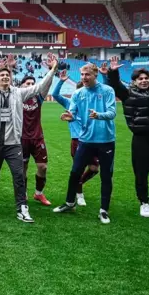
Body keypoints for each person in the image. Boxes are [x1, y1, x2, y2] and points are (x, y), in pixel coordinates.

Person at [0, 47, 58, 223]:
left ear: (11, 78)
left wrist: (52, 70)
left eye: (8, 75)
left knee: (18, 175)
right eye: (2, 76)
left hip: (13, 143)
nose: (5, 77)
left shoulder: (19, 93)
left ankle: (22, 208)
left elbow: (39, 87)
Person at [54, 63, 116, 224]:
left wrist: (99, 115)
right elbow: (72, 112)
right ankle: (69, 202)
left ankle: (104, 210)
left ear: (95, 75)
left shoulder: (108, 91)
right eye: (82, 74)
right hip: (85, 140)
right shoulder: (78, 93)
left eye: (87, 74)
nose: (84, 77)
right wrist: (69, 116)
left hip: (106, 141)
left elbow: (112, 113)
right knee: (75, 172)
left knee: (106, 176)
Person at [105, 57, 149, 218]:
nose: (144, 81)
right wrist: (113, 71)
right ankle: (144, 202)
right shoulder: (127, 94)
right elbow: (115, 85)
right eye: (141, 79)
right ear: (135, 81)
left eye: (146, 78)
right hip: (140, 139)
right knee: (141, 172)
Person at [52, 70, 99, 206]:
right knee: (78, 168)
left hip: (92, 139)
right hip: (77, 141)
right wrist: (61, 81)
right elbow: (55, 95)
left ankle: (78, 183)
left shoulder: (92, 104)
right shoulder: (69, 103)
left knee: (94, 169)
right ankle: (79, 194)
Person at [19, 75, 53, 206]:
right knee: (23, 168)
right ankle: (23, 193)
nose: (30, 85)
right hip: (22, 138)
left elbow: (46, 85)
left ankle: (38, 193)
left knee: (42, 167)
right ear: (21, 85)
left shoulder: (37, 98)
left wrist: (53, 70)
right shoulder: (17, 97)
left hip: (38, 137)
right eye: (27, 83)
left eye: (33, 83)